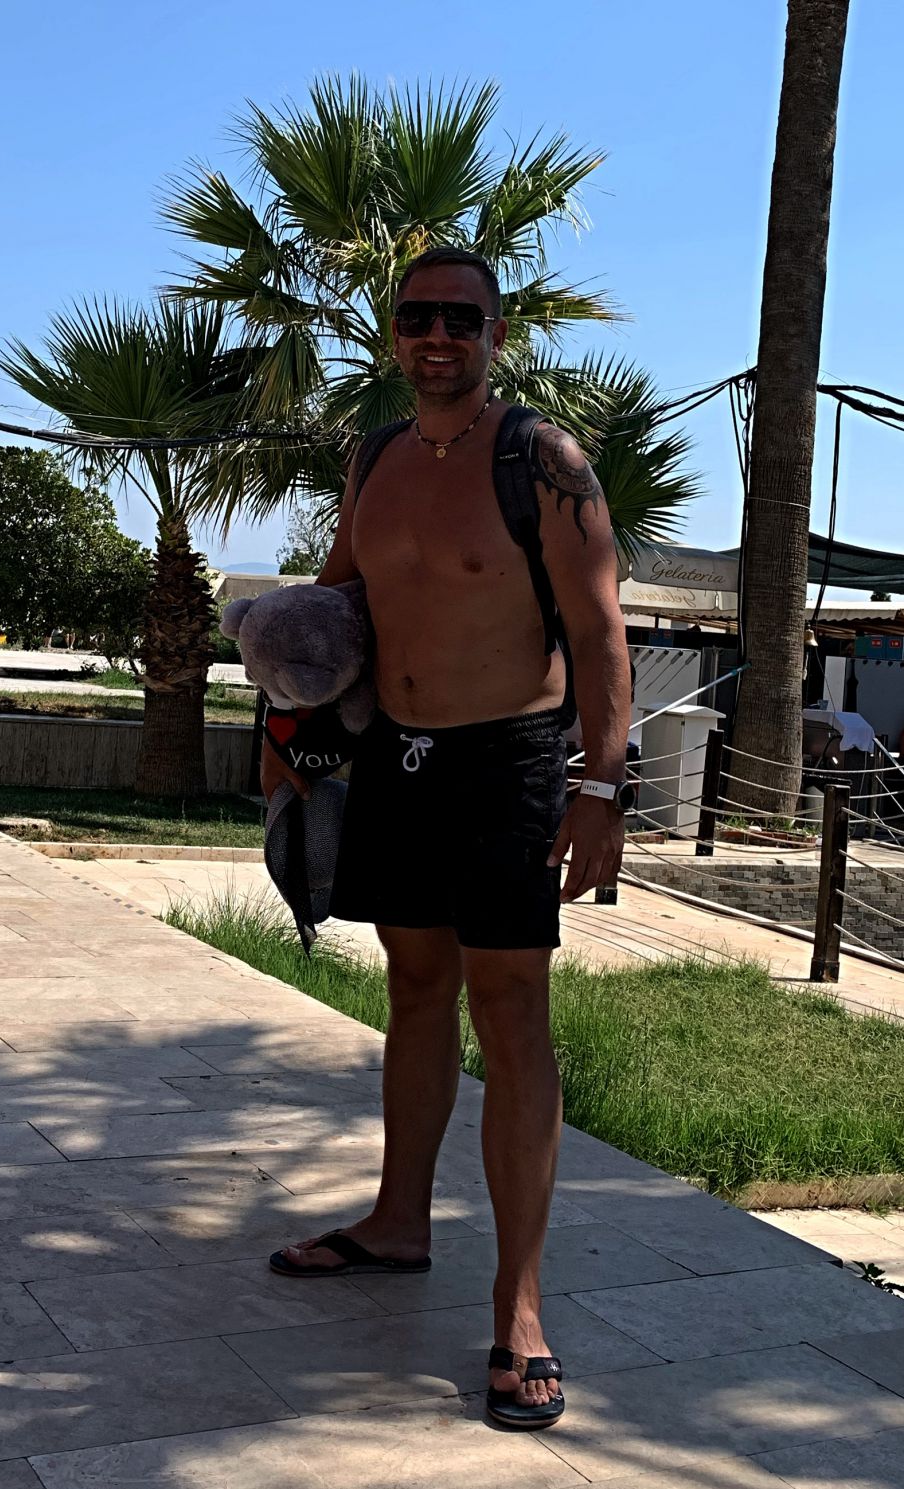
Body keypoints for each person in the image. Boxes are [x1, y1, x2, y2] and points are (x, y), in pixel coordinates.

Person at [262, 246, 632, 1427]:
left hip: (507, 763)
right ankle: (397, 1220)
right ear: (393, 332)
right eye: (418, 316)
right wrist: (287, 728)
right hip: (398, 757)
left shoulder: (544, 461)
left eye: (460, 319)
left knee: (510, 1014)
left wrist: (601, 786)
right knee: (414, 987)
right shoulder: (371, 457)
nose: (437, 337)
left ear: (496, 334)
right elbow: (334, 605)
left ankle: (519, 1309)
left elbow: (601, 629)